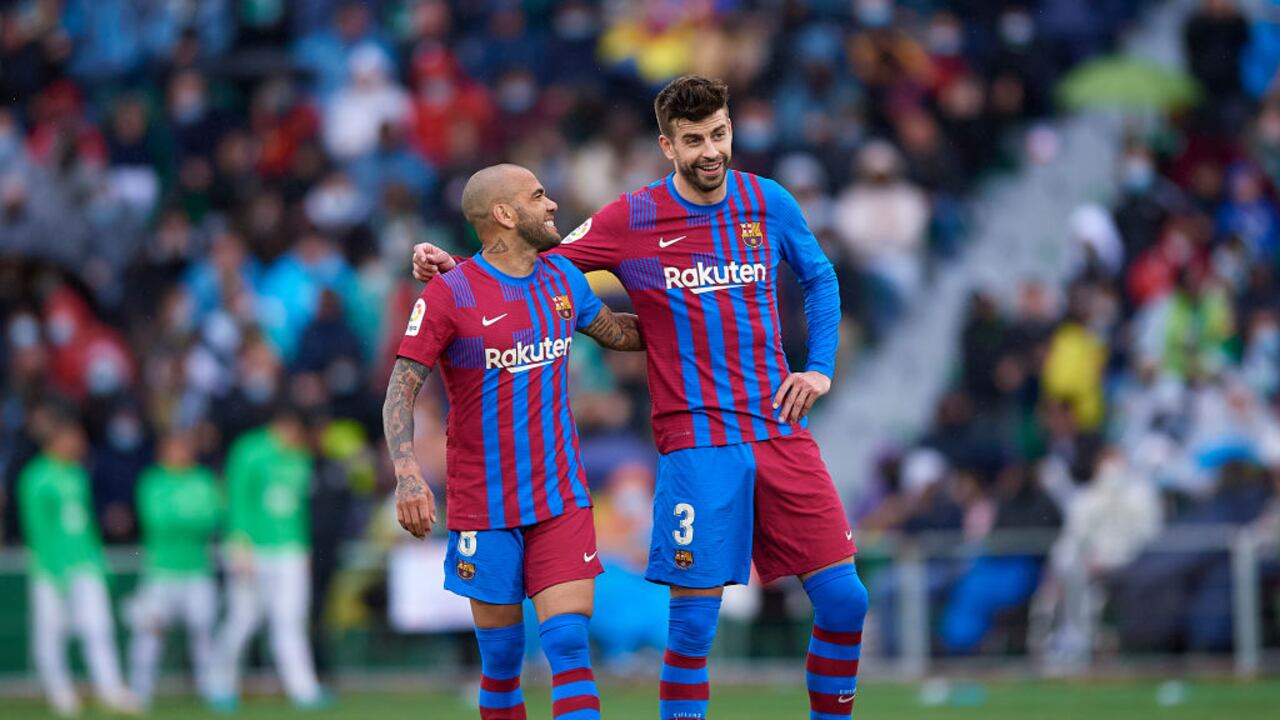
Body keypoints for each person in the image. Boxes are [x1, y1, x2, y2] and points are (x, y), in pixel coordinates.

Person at [413, 76, 868, 720]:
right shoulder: (634, 217)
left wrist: (818, 368)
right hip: (696, 442)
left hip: (778, 428)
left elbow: (820, 278)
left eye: (719, 134)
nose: (710, 151)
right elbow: (541, 262)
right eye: (693, 141)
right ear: (666, 145)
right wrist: (460, 271)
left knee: (847, 599)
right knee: (691, 630)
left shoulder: (767, 202)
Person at [385, 163, 643, 720]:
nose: (552, 205)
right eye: (538, 195)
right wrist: (407, 474)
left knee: (570, 651)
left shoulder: (563, 279)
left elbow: (619, 333)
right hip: (484, 506)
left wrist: (695, 310)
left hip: (560, 498)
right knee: (501, 663)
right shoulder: (448, 295)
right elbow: (399, 392)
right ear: (504, 214)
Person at [18, 412, 139, 717]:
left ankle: (110, 689)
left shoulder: (77, 474)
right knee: (50, 633)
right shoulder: (35, 477)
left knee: (98, 628)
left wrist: (98, 562)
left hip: (85, 564)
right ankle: (60, 693)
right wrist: (52, 569)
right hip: (51, 570)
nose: (79, 443)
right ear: (57, 440)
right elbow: (37, 529)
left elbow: (85, 526)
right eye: (73, 437)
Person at [209, 405, 326, 710]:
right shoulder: (249, 450)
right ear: (286, 423)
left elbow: (298, 510)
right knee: (243, 619)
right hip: (253, 549)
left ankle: (304, 689)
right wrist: (238, 544)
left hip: (290, 550)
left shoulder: (300, 458)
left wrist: (304, 549)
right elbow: (235, 498)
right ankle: (219, 683)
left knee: (291, 621)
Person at [127, 429, 222, 708]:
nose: (181, 452)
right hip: (160, 572)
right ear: (163, 451)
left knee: (203, 633)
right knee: (149, 633)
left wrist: (182, 518)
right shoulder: (152, 482)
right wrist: (189, 518)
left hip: (197, 570)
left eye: (185, 447)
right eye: (175, 447)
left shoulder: (204, 480)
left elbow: (211, 519)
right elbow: (157, 520)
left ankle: (211, 689)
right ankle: (139, 691)